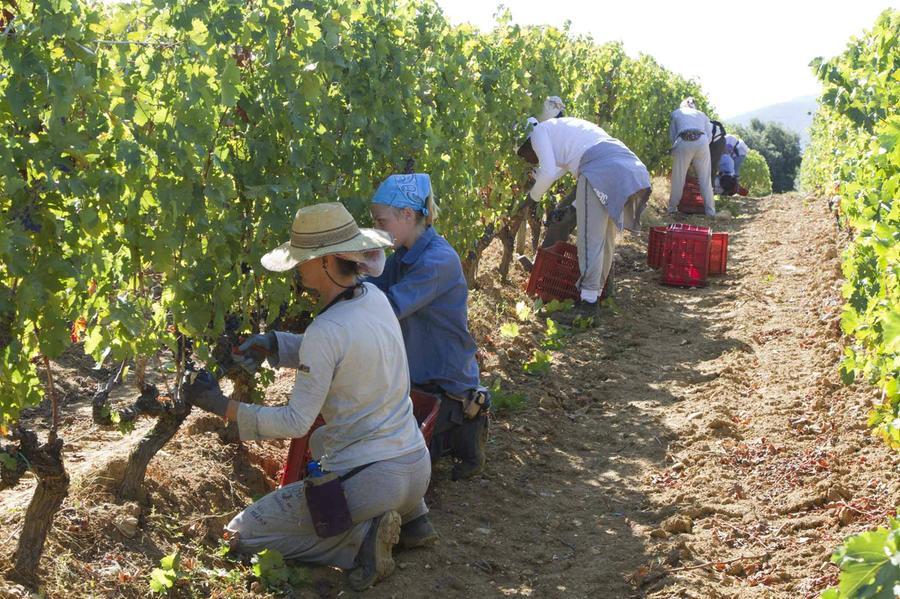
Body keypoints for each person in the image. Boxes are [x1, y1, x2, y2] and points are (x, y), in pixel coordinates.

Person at [181, 202, 433, 591]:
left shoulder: (326, 330)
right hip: (415, 470)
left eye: (305, 258)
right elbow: (340, 349)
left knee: (243, 535)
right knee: (328, 452)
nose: (299, 266)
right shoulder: (374, 299)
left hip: (370, 483)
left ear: (329, 261)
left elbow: (296, 421)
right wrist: (275, 344)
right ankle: (413, 521)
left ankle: (359, 542)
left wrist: (223, 407)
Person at [365, 173, 490, 482]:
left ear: (407, 215)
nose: (377, 229)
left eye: (381, 221)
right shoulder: (402, 256)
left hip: (443, 380)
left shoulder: (438, 261)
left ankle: (470, 417)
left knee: (414, 465)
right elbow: (372, 288)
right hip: (415, 374)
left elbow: (389, 306)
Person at [516, 100, 652, 313]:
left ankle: (588, 305)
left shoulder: (538, 132)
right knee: (605, 238)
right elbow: (555, 170)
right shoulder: (561, 134)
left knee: (590, 239)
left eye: (525, 155)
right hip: (627, 166)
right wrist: (571, 206)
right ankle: (596, 295)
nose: (529, 159)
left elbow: (549, 173)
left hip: (601, 167)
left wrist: (530, 200)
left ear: (525, 143)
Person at [668, 97, 715, 216]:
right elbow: (709, 136)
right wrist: (700, 148)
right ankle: (711, 212)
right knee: (705, 179)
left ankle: (672, 208)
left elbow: (673, 136)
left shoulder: (676, 113)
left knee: (678, 178)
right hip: (702, 140)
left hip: (683, 140)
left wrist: (679, 150)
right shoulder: (702, 115)